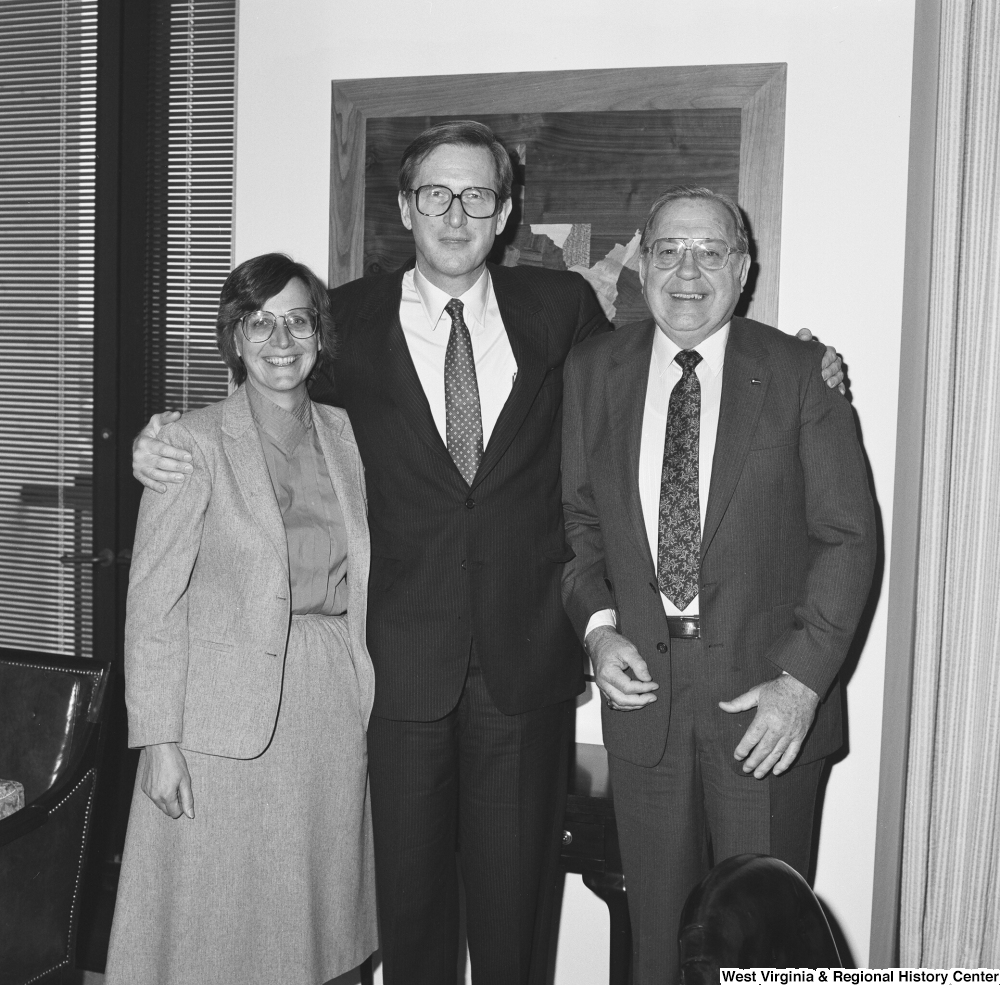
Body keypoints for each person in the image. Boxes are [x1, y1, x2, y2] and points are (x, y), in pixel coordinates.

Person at [132, 124, 843, 985]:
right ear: (406, 207)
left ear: (504, 211)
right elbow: (270, 403)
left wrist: (805, 360)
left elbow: (679, 340)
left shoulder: (560, 310)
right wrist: (167, 433)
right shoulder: (345, 322)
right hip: (398, 671)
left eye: (478, 195)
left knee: (516, 926)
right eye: (437, 193)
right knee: (412, 919)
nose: (457, 212)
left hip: (524, 665)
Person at [560, 187, 876, 984]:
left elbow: (849, 538)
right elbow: (578, 523)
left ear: (743, 270)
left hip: (764, 706)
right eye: (668, 250)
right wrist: (598, 628)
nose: (687, 271)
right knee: (657, 948)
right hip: (645, 708)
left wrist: (801, 685)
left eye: (710, 252)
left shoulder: (802, 372)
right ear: (642, 264)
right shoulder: (595, 370)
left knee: (760, 947)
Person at [105, 254, 377, 985]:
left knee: (311, 918)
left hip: (328, 702)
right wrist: (157, 739)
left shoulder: (351, 437)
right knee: (212, 920)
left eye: (297, 320)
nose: (280, 338)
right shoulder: (187, 444)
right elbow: (153, 603)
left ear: (319, 337)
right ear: (234, 337)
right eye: (260, 322)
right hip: (216, 720)